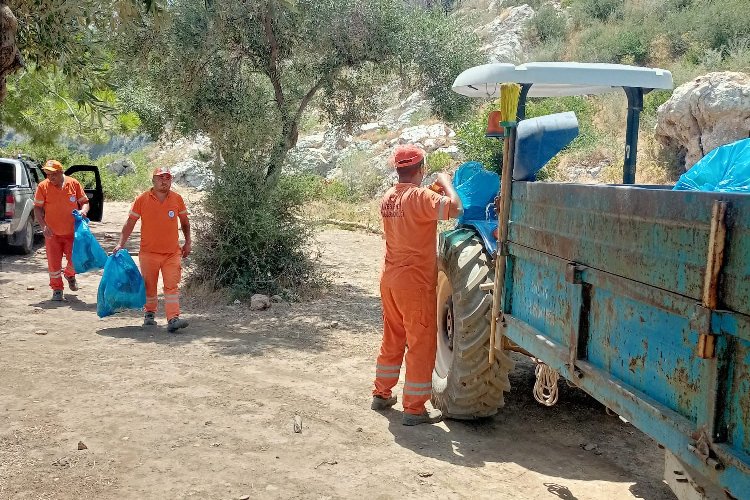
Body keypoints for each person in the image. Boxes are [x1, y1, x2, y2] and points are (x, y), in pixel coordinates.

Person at [372, 145, 463, 426]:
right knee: (421, 344)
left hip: (390, 280)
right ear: (421, 170)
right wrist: (446, 182)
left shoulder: (388, 197)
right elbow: (456, 208)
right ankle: (414, 409)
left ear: (397, 170)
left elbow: (413, 211)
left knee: (393, 337)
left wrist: (431, 192)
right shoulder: (422, 196)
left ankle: (381, 394)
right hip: (415, 284)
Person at [113, 167, 191, 333]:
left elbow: (185, 222)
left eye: (167, 178)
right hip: (148, 253)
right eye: (160, 178)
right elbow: (130, 223)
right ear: (153, 180)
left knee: (172, 287)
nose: (164, 181)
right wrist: (121, 243)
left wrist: (188, 242)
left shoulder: (177, 199)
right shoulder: (142, 199)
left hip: (172, 253)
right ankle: (149, 314)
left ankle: (173, 319)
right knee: (150, 286)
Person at [33, 159, 90, 301]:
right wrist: (43, 226)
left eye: (53, 174)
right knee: (54, 264)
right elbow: (37, 208)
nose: (50, 178)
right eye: (47, 174)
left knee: (75, 261)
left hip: (72, 233)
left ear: (61, 172)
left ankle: (70, 274)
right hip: (52, 234)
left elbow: (85, 202)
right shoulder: (43, 186)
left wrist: (83, 211)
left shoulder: (73, 183)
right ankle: (57, 289)